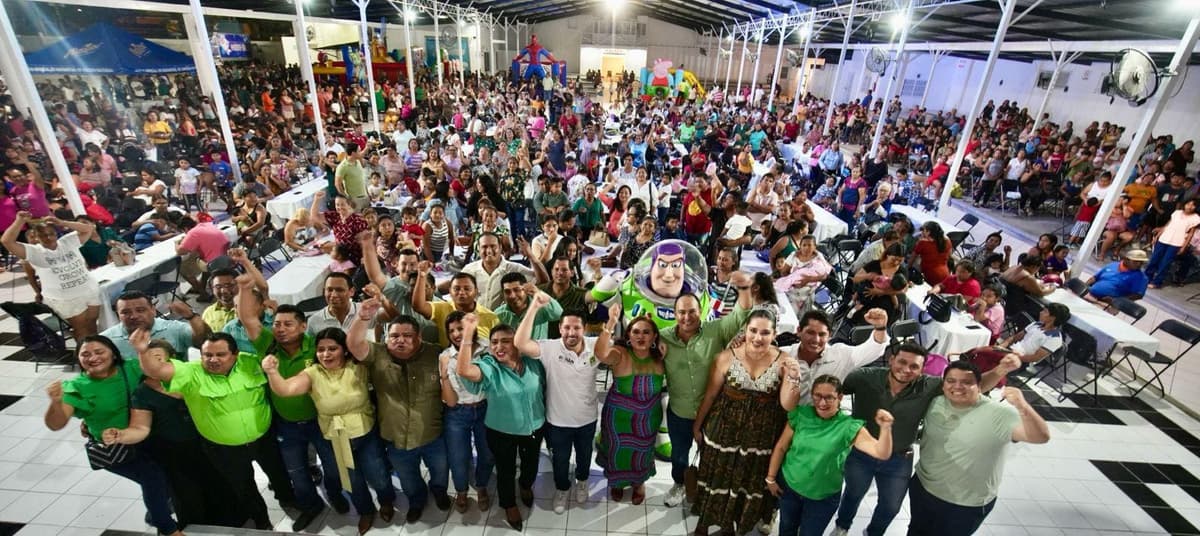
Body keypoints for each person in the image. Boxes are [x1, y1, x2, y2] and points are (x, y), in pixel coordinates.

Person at [830, 344, 1017, 536]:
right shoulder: (864, 377)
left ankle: (873, 533)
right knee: (853, 494)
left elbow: (972, 387)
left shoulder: (929, 386)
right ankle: (842, 527)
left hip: (898, 458)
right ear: (891, 359)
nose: (906, 369)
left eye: (914, 366)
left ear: (922, 370)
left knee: (891, 506)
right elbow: (830, 390)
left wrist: (1000, 370)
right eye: (902, 362)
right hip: (862, 453)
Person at [136, 331, 294, 530]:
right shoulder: (191, 372)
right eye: (207, 355)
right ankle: (262, 522)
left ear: (235, 354)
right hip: (224, 448)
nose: (213, 360)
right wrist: (143, 351)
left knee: (279, 473)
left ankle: (289, 500)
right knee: (244, 487)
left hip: (264, 439)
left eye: (220, 354)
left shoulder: (251, 363)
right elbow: (158, 371)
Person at [233, 274, 349, 529]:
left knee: (332, 465)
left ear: (303, 326)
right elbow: (248, 319)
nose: (280, 329)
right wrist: (243, 288)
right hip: (286, 424)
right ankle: (311, 506)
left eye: (287, 324)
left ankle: (336, 494)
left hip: (321, 420)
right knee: (296, 471)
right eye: (277, 324)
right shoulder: (268, 344)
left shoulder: (318, 347)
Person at [43, 336, 185, 536]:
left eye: (99, 352)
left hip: (146, 438)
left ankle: (156, 514)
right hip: (113, 448)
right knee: (153, 477)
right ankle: (167, 528)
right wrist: (56, 403)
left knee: (168, 478)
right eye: (85, 354)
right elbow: (56, 424)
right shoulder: (77, 387)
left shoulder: (131, 368)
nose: (93, 358)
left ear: (113, 353)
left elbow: (165, 374)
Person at [261, 327, 397, 535]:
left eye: (332, 348)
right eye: (321, 350)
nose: (326, 354)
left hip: (365, 432)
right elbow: (286, 389)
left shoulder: (358, 367)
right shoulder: (312, 373)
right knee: (352, 481)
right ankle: (366, 511)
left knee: (378, 474)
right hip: (335, 437)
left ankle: (387, 502)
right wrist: (272, 372)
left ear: (344, 350)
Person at [691, 311, 805, 536]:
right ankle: (703, 526)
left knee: (746, 483)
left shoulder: (784, 361)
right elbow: (711, 396)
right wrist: (697, 426)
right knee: (715, 477)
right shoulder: (725, 357)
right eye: (753, 330)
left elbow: (788, 405)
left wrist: (793, 378)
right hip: (723, 431)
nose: (758, 337)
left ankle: (729, 527)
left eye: (765, 332)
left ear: (774, 334)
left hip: (761, 437)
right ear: (745, 330)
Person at [100, 337, 234, 528]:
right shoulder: (142, 393)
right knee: (188, 496)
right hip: (174, 453)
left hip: (210, 444)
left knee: (221, 487)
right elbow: (140, 428)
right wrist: (121, 435)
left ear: (173, 360)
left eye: (158, 359)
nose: (153, 365)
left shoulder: (193, 377)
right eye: (147, 359)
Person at [907, 361, 1050, 535]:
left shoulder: (1000, 414)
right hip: (924, 488)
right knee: (915, 531)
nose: (957, 386)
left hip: (965, 503)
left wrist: (1022, 406)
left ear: (979, 386)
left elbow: (1040, 437)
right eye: (951, 381)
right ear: (943, 385)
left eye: (966, 382)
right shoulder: (935, 401)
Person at [347, 305, 452, 523]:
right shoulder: (377, 354)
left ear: (419, 337)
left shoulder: (435, 354)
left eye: (407, 336)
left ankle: (440, 492)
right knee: (407, 477)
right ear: (386, 336)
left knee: (440, 470)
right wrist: (363, 318)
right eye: (394, 335)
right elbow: (354, 345)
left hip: (433, 433)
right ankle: (416, 500)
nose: (400, 340)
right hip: (396, 436)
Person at [766, 375, 895, 536]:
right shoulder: (801, 414)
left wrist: (886, 428)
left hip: (822, 498)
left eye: (829, 397)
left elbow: (881, 453)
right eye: (817, 396)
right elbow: (781, 447)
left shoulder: (848, 426)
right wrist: (770, 478)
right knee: (786, 529)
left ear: (840, 397)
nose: (822, 402)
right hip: (789, 488)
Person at [455, 316, 546, 531]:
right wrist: (468, 333)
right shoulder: (489, 366)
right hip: (501, 430)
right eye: (494, 342)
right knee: (505, 470)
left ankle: (525, 486)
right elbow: (465, 371)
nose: (498, 346)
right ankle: (509, 505)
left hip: (534, 425)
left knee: (530, 464)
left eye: (505, 341)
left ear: (517, 342)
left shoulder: (533, 363)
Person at [513, 298, 598, 514]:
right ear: (560, 328)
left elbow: (620, 347)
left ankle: (582, 482)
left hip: (587, 419)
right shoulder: (550, 348)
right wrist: (533, 306)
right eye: (566, 327)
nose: (571, 332)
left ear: (584, 329)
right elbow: (520, 343)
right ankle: (562, 489)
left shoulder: (595, 346)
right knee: (560, 460)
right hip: (557, 422)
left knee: (584, 456)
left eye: (576, 327)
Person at [1, 211, 101, 341]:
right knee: (81, 329)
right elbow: (7, 241)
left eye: (51, 234)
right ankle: (84, 355)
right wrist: (19, 221)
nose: (48, 238)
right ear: (36, 237)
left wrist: (61, 222)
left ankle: (99, 350)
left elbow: (88, 228)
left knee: (92, 325)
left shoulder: (67, 242)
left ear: (56, 233)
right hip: (66, 298)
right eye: (43, 235)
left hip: (88, 290)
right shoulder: (35, 252)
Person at [438, 311, 495, 513]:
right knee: (458, 456)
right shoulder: (445, 357)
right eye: (451, 330)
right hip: (457, 413)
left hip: (486, 409)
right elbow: (451, 402)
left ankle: (481, 487)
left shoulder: (487, 348)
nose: (456, 334)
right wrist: (444, 374)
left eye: (460, 328)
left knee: (487, 454)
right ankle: (461, 491)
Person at [101, 291, 207, 358]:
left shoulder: (174, 328)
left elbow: (204, 342)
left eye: (140, 310)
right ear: (118, 315)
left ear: (153, 310)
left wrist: (191, 317)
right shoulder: (106, 340)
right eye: (125, 312)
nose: (134, 316)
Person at [1145, 198, 1200, 289]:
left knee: (1165, 263)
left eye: (1193, 205)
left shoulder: (1196, 218)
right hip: (1164, 238)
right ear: (1185, 204)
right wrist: (1158, 236)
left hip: (1176, 242)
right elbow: (1168, 224)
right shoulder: (1177, 213)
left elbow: (1190, 234)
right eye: (1188, 204)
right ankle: (1147, 277)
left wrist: (1183, 247)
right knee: (1154, 259)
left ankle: (1157, 282)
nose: (1190, 206)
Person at [311, 190, 370, 265]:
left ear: (349, 204)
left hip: (356, 258)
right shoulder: (335, 217)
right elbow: (314, 216)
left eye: (342, 204)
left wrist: (365, 258)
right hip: (341, 257)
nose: (339, 207)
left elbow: (365, 241)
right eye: (337, 205)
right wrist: (316, 200)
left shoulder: (358, 220)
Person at [1084, 249, 1149, 304]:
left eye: (1141, 262)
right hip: (1089, 294)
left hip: (1107, 304)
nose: (1139, 265)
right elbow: (1094, 278)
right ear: (1126, 259)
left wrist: (1116, 300)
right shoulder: (1112, 265)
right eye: (1136, 262)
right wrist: (1084, 287)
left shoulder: (1141, 277)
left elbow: (1138, 295)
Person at [910, 221, 953, 286]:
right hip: (945, 275)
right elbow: (949, 255)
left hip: (930, 275)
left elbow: (912, 259)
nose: (922, 232)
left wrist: (907, 269)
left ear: (928, 232)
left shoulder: (923, 243)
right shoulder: (947, 240)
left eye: (923, 230)